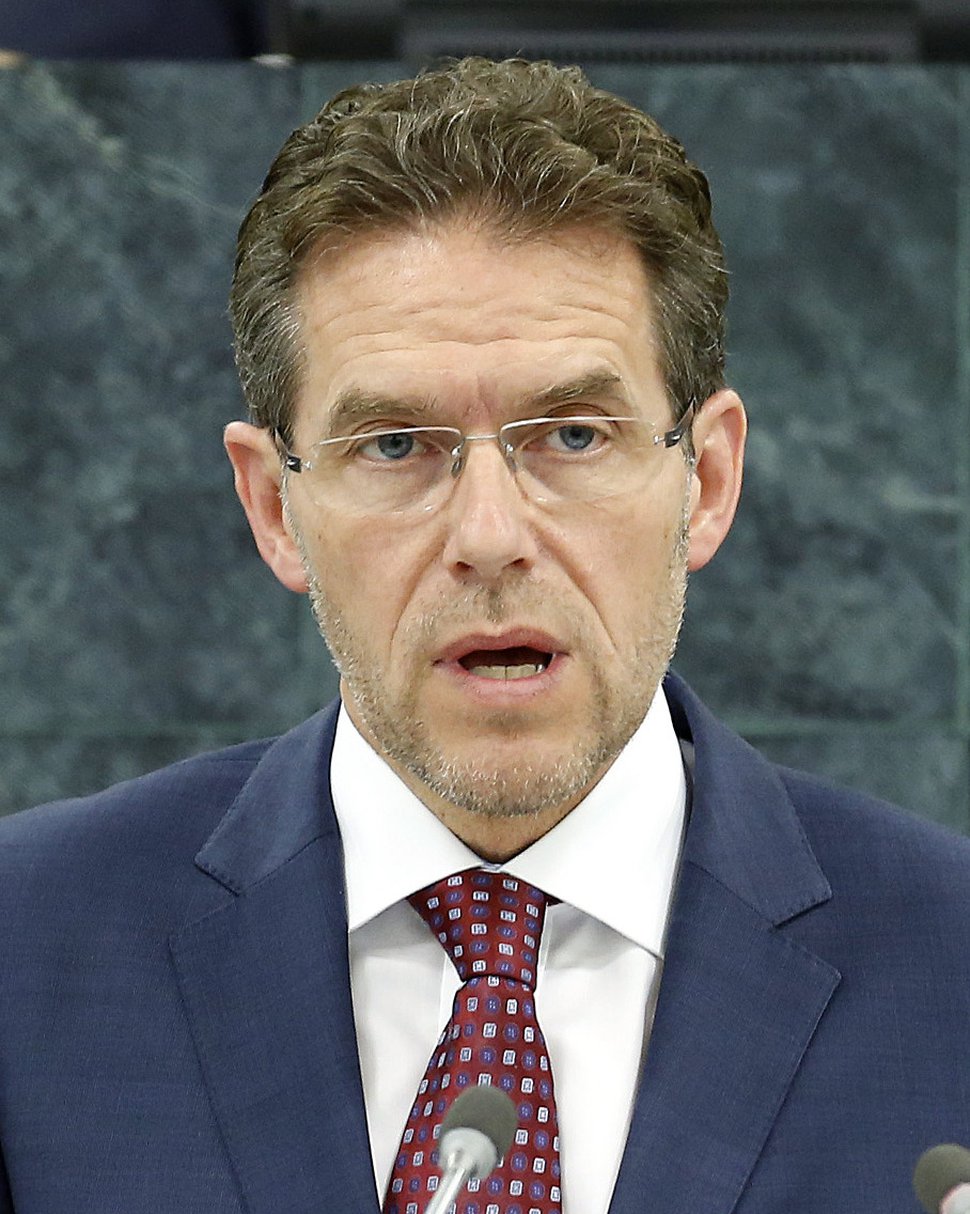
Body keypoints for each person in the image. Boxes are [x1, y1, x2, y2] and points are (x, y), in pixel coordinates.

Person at [0, 56, 968, 1214]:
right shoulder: (26, 944)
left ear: (705, 480)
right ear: (274, 507)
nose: (490, 535)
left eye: (573, 434)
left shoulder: (949, 963)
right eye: (394, 445)